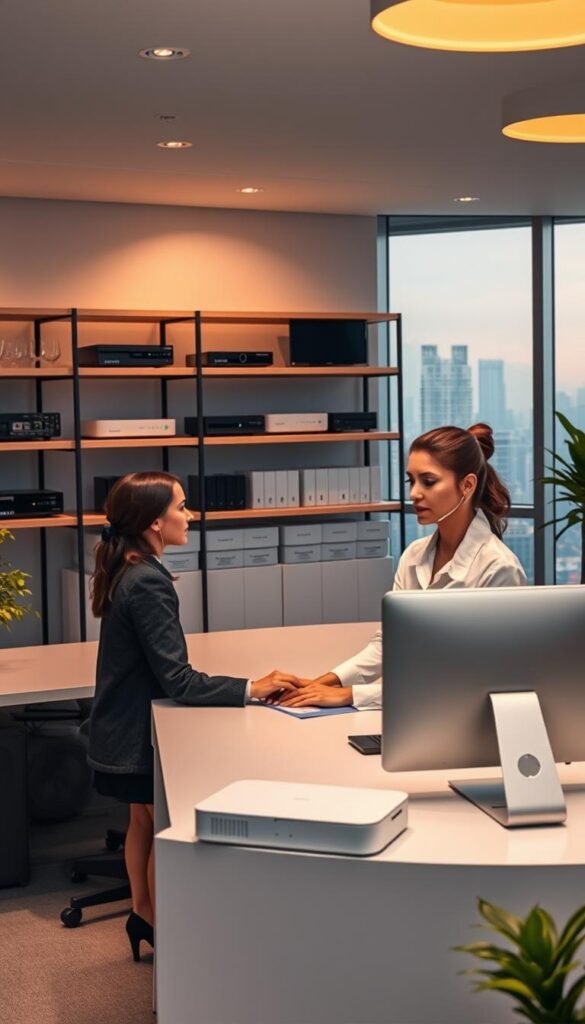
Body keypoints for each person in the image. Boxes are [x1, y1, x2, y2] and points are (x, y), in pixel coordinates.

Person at [87, 471, 298, 961]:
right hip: (137, 735)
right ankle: (169, 936)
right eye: (182, 507)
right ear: (157, 523)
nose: (191, 514)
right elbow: (177, 679)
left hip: (118, 730)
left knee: (141, 820)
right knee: (162, 827)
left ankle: (144, 914)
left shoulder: (129, 566)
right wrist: (251, 688)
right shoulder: (147, 582)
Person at [276, 423, 527, 711]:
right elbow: (390, 643)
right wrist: (323, 682)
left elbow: (474, 680)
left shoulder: (498, 568)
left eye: (429, 481)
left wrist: (351, 695)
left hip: (466, 725)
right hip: (415, 713)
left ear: (467, 486)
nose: (415, 493)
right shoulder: (414, 556)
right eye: (412, 481)